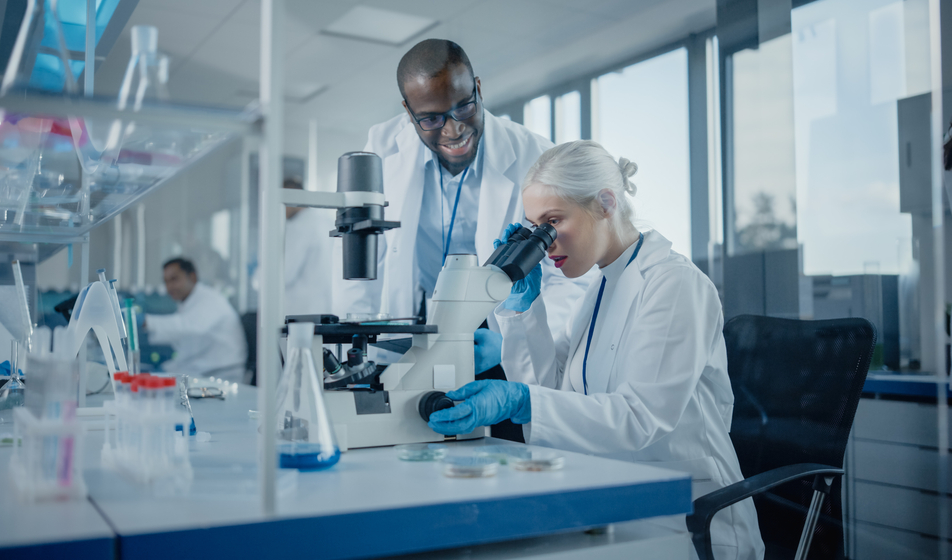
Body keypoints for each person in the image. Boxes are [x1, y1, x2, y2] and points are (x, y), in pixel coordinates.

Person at [427, 141, 765, 560]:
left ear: (606, 203)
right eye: (535, 227)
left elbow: (640, 418)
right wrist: (523, 310)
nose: (545, 242)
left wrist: (521, 400)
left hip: (689, 517)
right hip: (613, 498)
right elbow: (555, 390)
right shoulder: (600, 287)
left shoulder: (674, 284)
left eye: (553, 222)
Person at [332, 40, 588, 418]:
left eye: (464, 107)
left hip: (496, 329)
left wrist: (511, 339)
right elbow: (361, 264)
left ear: (478, 88)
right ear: (409, 113)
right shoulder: (382, 149)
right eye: (431, 119)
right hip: (414, 324)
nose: (453, 129)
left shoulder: (534, 157)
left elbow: (567, 277)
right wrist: (358, 342)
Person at [142, 258, 248, 384]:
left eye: (174, 279)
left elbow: (188, 325)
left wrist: (146, 321)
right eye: (166, 281)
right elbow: (179, 335)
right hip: (200, 370)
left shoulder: (210, 299)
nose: (169, 287)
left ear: (192, 277)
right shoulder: (187, 304)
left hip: (221, 374)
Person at [282, 177, 332, 316]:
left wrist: (258, 277)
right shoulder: (325, 221)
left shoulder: (298, 227)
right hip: (327, 308)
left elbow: (285, 275)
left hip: (302, 311)